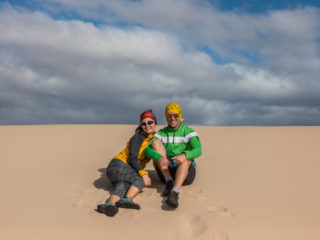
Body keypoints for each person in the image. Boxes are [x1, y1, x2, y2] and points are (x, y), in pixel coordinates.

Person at [97, 110, 157, 217]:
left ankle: (109, 204)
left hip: (121, 172)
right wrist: (144, 174)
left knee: (123, 186)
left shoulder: (154, 138)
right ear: (141, 125)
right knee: (140, 179)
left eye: (150, 122)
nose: (147, 125)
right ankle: (128, 199)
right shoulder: (138, 137)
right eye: (144, 123)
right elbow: (132, 158)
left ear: (155, 123)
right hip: (118, 165)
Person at [144, 102, 202, 208]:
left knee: (187, 159)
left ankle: (174, 193)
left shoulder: (189, 131)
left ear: (180, 116)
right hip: (166, 171)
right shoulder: (161, 133)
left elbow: (198, 150)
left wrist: (184, 155)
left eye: (175, 115)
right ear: (166, 117)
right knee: (155, 143)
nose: (172, 118)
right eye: (169, 116)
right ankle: (169, 181)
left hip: (186, 175)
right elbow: (146, 150)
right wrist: (159, 157)